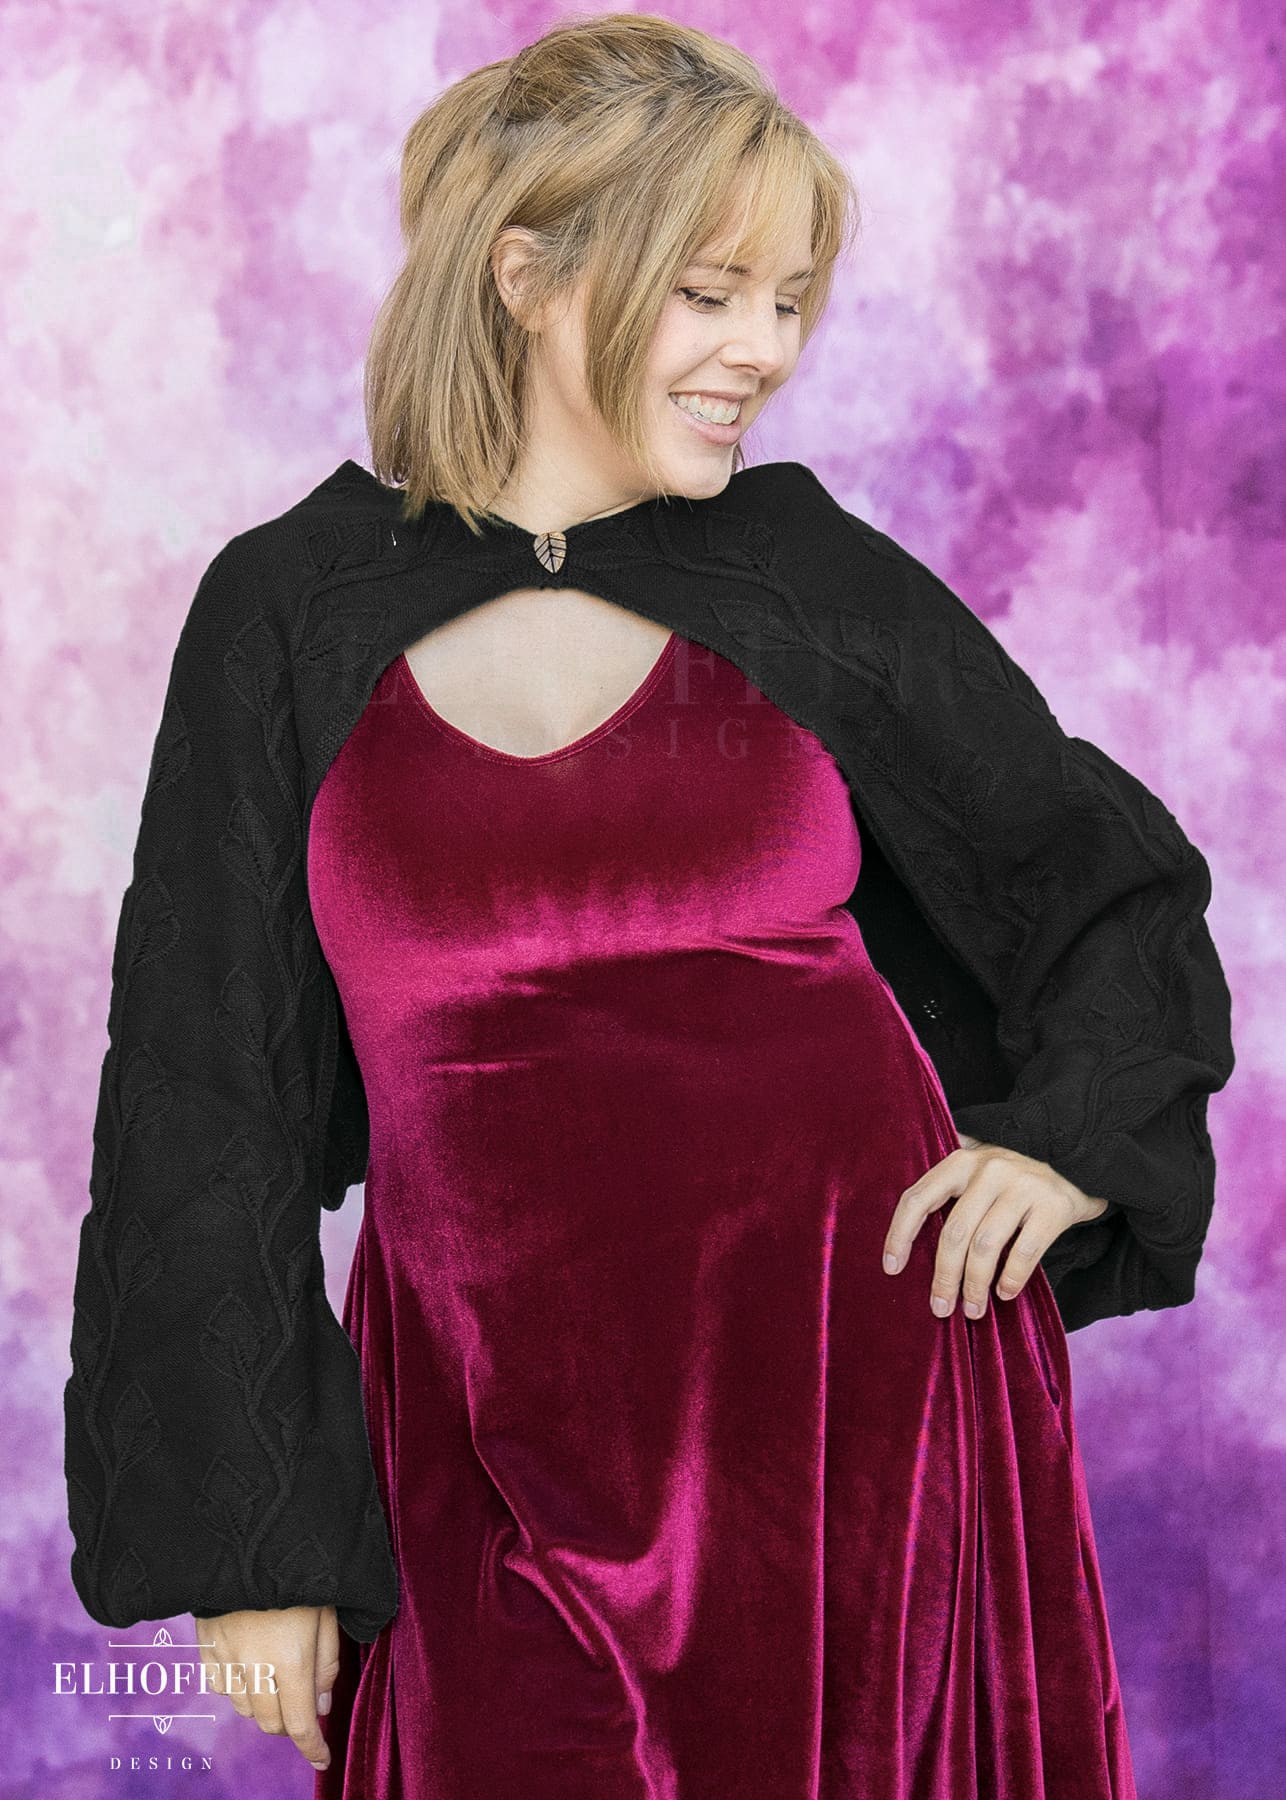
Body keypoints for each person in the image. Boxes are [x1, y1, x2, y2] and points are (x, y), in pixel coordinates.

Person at [65, 13, 1234, 1797]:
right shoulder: (289, 613)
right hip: (480, 1446)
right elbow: (198, 1086)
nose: (763, 349)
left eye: (788, 301)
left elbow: (1099, 884)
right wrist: (251, 1541)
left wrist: (1070, 1140)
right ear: (527, 275)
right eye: (709, 293)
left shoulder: (804, 576)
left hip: (868, 1418)